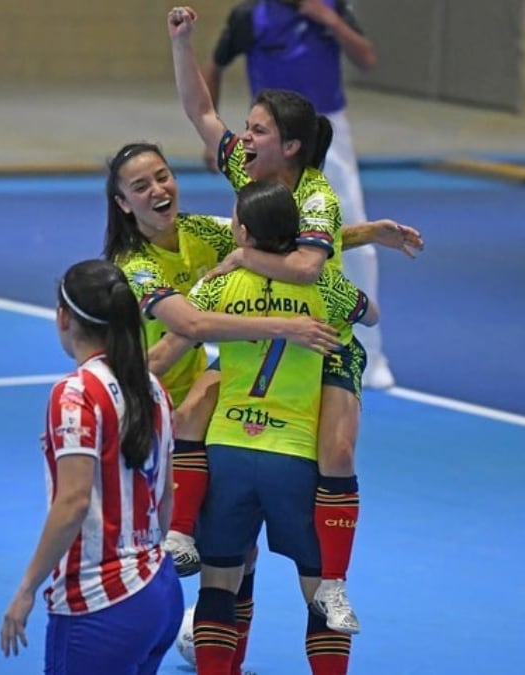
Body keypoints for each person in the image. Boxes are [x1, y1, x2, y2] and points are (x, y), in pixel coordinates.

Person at [170, 5, 414, 637]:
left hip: (322, 335)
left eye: (257, 129)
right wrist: (183, 42)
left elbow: (306, 266)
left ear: (292, 146)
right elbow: (199, 112)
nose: (243, 138)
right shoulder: (246, 169)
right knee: (194, 413)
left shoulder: (315, 196)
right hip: (259, 327)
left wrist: (235, 256)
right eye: (246, 127)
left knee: (334, 451)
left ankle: (331, 583)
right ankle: (183, 541)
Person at [103, 141, 408, 585]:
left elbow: (276, 238)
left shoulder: (202, 232)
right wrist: (286, 326)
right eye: (140, 185)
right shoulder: (133, 264)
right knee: (157, 545)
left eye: (162, 176)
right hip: (151, 399)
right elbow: (191, 324)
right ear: (123, 204)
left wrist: (365, 234)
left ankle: (216, 637)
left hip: (209, 403)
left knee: (233, 547)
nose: (157, 189)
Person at [159, 179, 378, 675]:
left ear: (241, 231)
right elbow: (371, 314)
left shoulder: (217, 284)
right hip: (294, 456)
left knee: (218, 584)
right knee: (320, 590)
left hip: (227, 452)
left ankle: (181, 536)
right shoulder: (325, 287)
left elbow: (180, 337)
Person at [0, 260, 183, 675]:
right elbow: (167, 494)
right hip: (159, 589)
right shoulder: (154, 389)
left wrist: (27, 589)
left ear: (64, 318)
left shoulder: (76, 393)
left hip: (101, 604)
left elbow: (74, 502)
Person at [200, 0, 395, 388]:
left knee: (347, 234)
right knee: (257, 232)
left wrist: (329, 20)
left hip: (328, 132)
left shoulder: (331, 5)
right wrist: (214, 143)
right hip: (275, 143)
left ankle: (371, 353)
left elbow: (366, 57)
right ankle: (248, 327)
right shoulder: (249, 16)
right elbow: (215, 66)